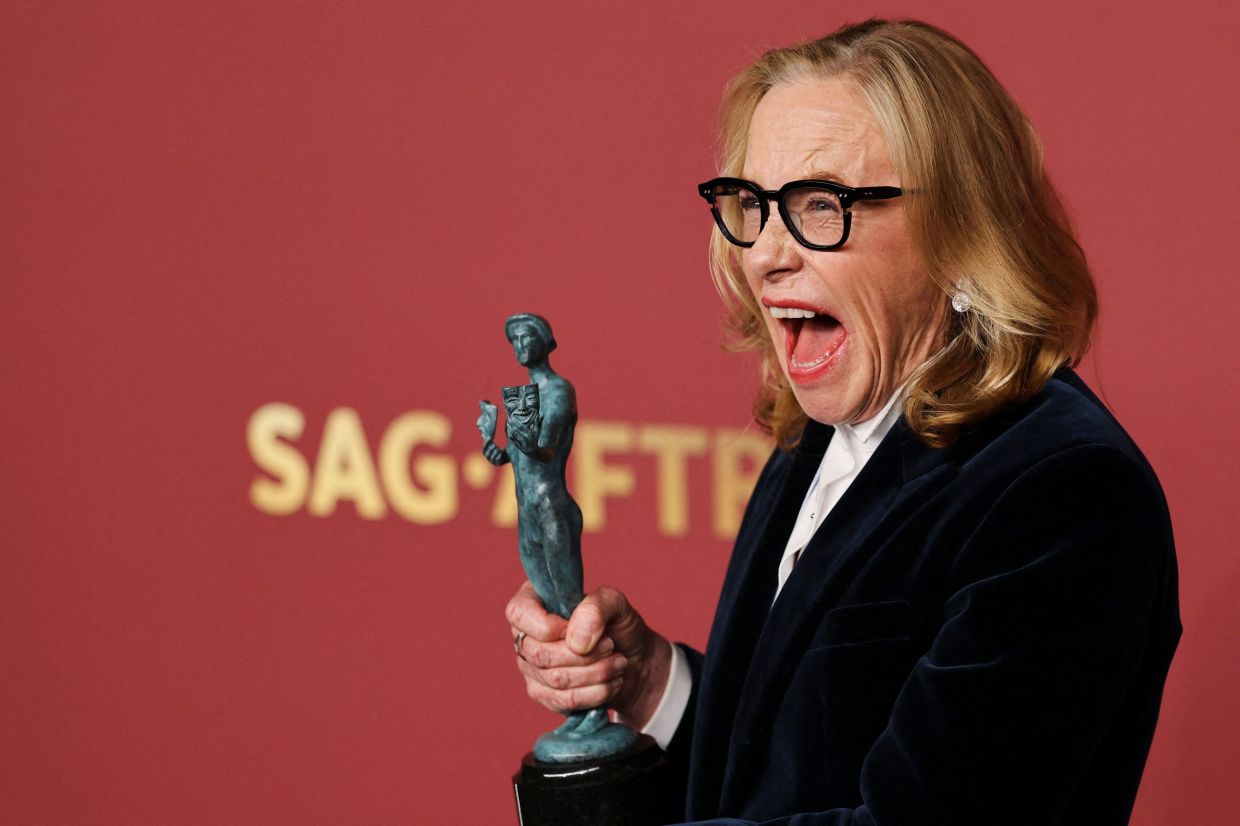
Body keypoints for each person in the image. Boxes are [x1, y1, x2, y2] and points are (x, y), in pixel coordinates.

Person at [504, 19, 1181, 825]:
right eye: (752, 204)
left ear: (964, 231)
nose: (764, 254)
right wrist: (654, 683)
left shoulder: (1063, 492)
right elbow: (788, 775)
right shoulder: (825, 432)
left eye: (820, 205)